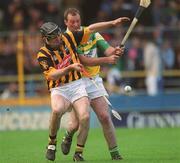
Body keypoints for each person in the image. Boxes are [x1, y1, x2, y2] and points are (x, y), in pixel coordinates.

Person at [37, 17, 129, 161]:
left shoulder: (69, 37)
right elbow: (53, 75)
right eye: (53, 38)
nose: (58, 39)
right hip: (60, 87)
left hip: (78, 83)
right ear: (45, 39)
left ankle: (81, 153)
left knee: (90, 117)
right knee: (60, 113)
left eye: (58, 35)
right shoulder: (42, 55)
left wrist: (112, 23)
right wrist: (70, 68)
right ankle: (52, 143)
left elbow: (92, 29)